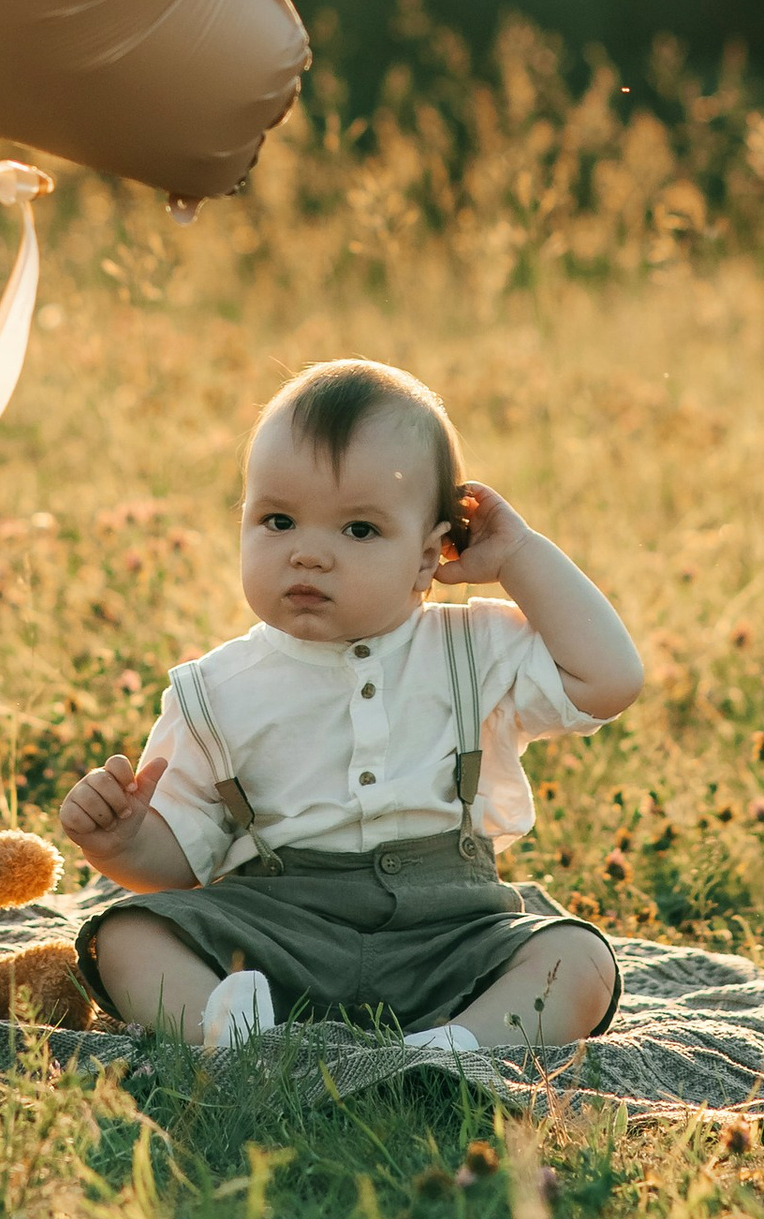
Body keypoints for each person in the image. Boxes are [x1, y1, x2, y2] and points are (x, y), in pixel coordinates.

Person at [58, 356, 641, 1061]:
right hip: (277, 935)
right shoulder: (216, 689)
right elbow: (181, 863)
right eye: (278, 520)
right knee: (127, 933)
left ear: (430, 556)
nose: (309, 553)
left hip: (448, 935)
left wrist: (519, 554)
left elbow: (610, 678)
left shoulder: (472, 647)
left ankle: (451, 1049)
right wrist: (121, 841)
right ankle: (242, 1043)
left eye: (358, 530)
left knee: (577, 958)